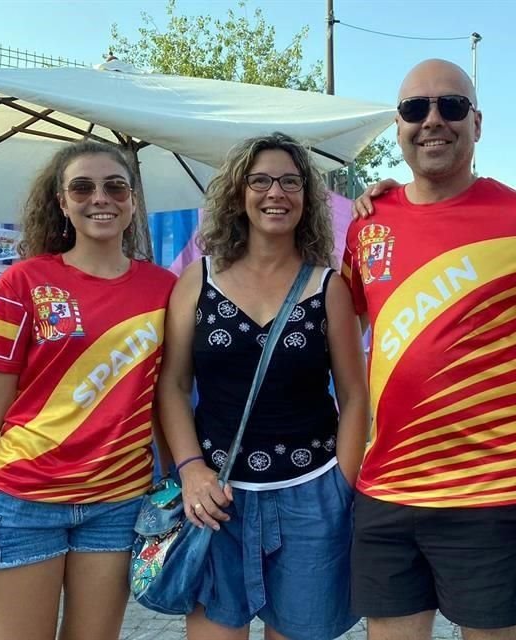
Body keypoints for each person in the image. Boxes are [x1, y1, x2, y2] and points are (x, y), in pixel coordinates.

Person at [342, 59, 516, 640]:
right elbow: (343, 329)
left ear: (477, 122)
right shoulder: (367, 224)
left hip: (492, 492)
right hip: (387, 487)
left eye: (451, 106)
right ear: (398, 125)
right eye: (414, 109)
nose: (432, 121)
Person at [0, 140, 177, 640]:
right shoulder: (24, 282)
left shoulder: (165, 289)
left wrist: (177, 480)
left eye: (115, 187)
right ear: (62, 202)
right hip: (18, 501)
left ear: (132, 200)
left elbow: (164, 395)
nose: (100, 198)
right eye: (82, 188)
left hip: (117, 504)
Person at [156, 132, 368, 640]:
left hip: (312, 493)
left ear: (306, 197)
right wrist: (189, 469)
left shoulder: (328, 287)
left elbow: (354, 394)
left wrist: (342, 484)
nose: (276, 193)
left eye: (291, 182)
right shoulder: (197, 280)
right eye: (261, 181)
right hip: (216, 496)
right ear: (239, 193)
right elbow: (173, 384)